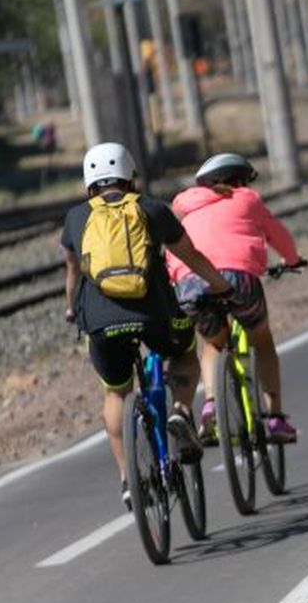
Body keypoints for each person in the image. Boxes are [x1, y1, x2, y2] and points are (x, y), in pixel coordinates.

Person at [62, 142, 234, 511]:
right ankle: (180, 411)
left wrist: (71, 309)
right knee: (185, 353)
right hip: (156, 315)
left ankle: (128, 479)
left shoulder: (75, 218)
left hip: (101, 322)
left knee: (115, 394)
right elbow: (191, 256)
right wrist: (221, 285)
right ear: (130, 176)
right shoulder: (152, 209)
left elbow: (73, 272)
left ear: (89, 183)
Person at [167, 153, 306, 444]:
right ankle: (276, 419)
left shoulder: (187, 211)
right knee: (262, 339)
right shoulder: (247, 199)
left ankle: (210, 406)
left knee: (213, 343)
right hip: (237, 279)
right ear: (240, 180)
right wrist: (292, 260)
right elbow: (277, 235)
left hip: (191, 283)